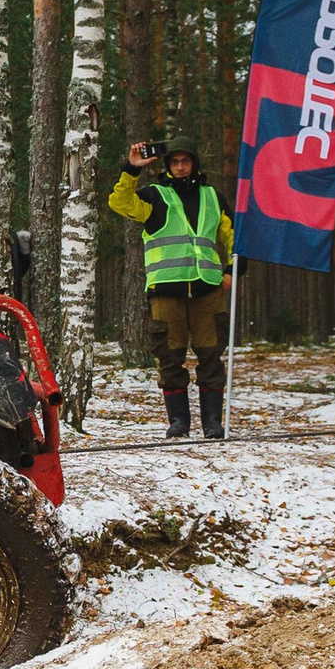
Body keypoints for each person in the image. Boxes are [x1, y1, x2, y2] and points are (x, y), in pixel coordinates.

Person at [108, 132, 234, 439]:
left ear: (194, 163)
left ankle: (213, 424)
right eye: (175, 161)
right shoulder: (155, 196)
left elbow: (231, 235)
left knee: (211, 357)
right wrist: (132, 168)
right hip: (167, 289)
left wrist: (231, 269)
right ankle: (179, 422)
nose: (180, 166)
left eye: (185, 161)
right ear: (167, 165)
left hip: (208, 288)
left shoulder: (213, 197)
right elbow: (120, 203)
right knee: (170, 356)